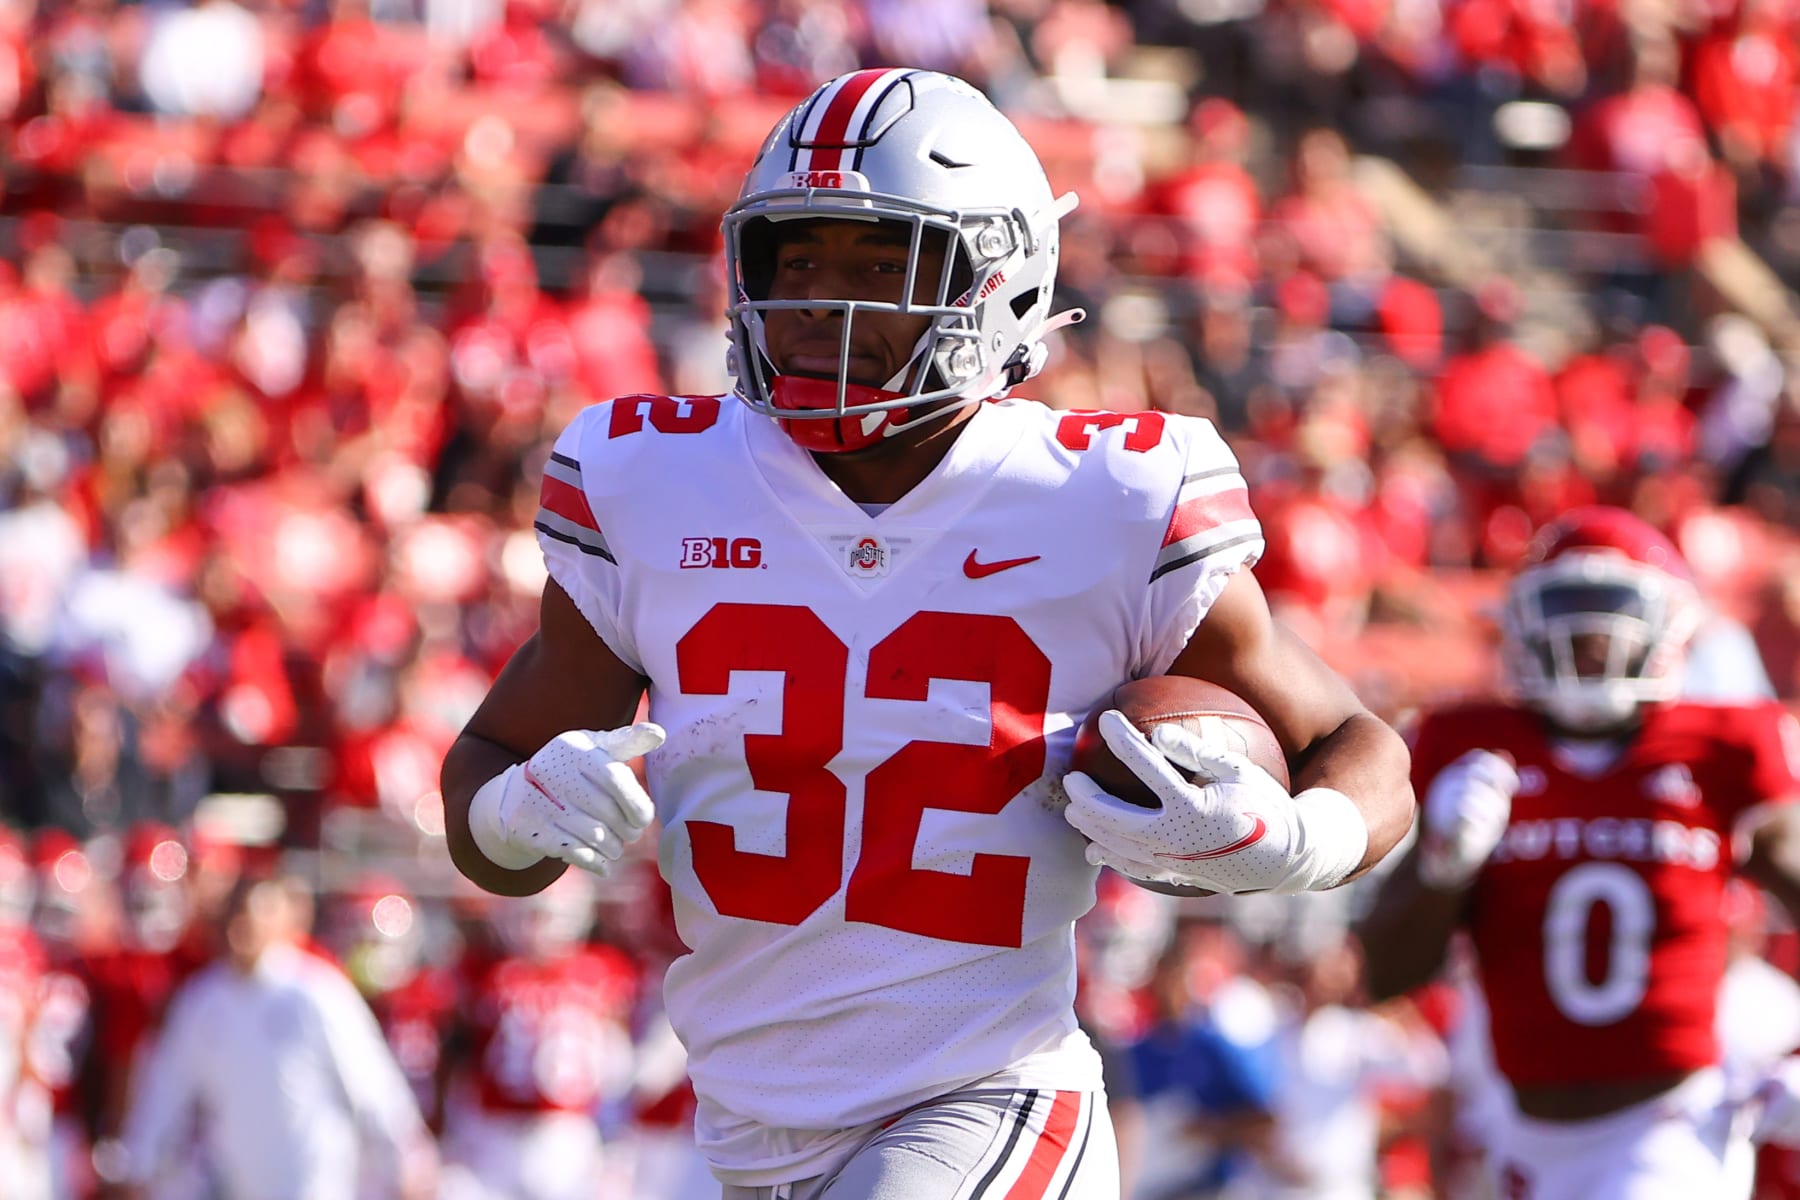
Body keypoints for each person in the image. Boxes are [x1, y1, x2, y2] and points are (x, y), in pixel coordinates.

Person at [440, 67, 1414, 1199]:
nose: (817, 300)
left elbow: (1361, 747)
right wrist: (517, 816)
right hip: (744, 1129)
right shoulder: (651, 479)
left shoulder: (1108, 498)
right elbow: (481, 785)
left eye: (876, 262)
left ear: (998, 282)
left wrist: (1296, 841)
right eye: (795, 259)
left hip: (991, 1103)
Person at [1358, 505, 1800, 1200]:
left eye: (1612, 610)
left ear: (1671, 623)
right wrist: (1444, 865)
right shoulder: (1467, 740)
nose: (1590, 636)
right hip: (1514, 1125)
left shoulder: (1723, 743)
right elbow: (1384, 973)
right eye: (1567, 609)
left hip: (1670, 1125)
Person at [116, 871, 437, 1200]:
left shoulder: (315, 991)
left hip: (312, 1178)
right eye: (235, 913)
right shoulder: (203, 1000)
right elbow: (167, 1087)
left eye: (254, 913)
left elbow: (371, 1081)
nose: (242, 926)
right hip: (238, 1180)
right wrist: (138, 1161)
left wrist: (407, 1158)